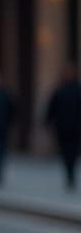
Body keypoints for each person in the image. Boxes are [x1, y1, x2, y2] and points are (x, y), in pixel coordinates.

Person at [43, 61, 81, 189]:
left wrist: (47, 122)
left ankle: (70, 174)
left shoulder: (77, 90)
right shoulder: (59, 91)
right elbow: (51, 108)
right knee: (66, 152)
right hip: (64, 127)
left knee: (72, 151)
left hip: (74, 127)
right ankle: (69, 174)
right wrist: (47, 122)